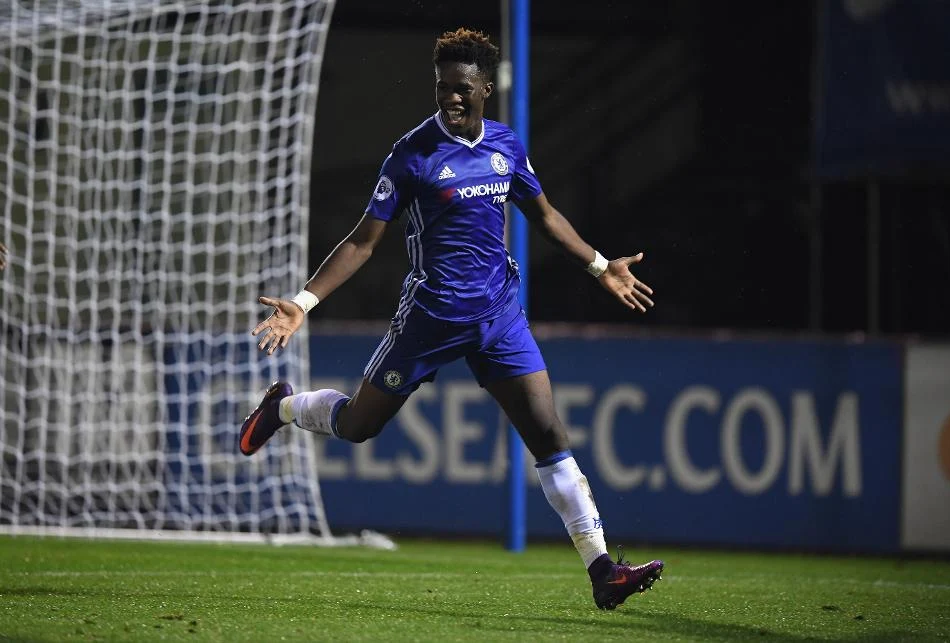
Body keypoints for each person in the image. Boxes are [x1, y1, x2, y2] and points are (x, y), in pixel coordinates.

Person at [241, 27, 662, 610]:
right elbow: (363, 241)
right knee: (360, 426)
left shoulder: (506, 145)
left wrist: (599, 266)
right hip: (430, 317)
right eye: (442, 87)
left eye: (462, 88)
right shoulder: (412, 154)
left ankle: (602, 571)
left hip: (498, 316)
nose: (450, 98)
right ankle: (283, 407)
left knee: (548, 434)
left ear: (485, 88)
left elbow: (543, 214)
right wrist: (303, 302)